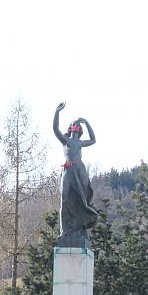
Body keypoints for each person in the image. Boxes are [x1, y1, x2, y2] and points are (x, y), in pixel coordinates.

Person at [53, 102, 98, 246]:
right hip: (68, 169)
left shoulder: (80, 143)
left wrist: (87, 123)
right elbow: (55, 129)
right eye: (74, 125)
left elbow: (93, 140)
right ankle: (64, 231)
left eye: (78, 126)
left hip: (80, 170)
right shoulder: (65, 140)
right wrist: (57, 112)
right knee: (65, 199)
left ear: (79, 130)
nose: (76, 127)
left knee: (82, 200)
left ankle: (81, 227)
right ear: (71, 128)